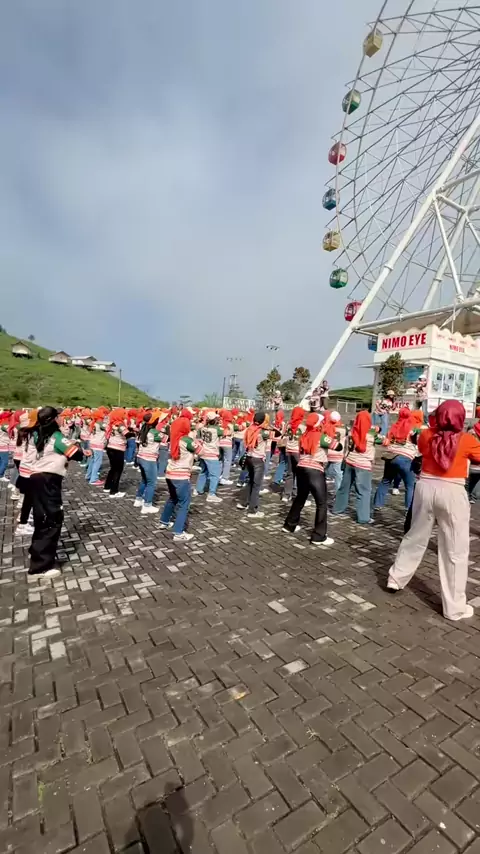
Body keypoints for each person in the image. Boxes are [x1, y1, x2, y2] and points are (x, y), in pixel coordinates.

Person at [387, 400, 480, 621]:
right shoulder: (467, 440)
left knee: (415, 536)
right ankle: (454, 607)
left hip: (426, 487)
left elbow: (421, 447)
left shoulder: (426, 435)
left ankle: (396, 578)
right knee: (455, 549)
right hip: (452, 490)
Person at [29, 407, 87, 577]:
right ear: (53, 419)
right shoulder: (56, 437)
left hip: (36, 478)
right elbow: (76, 454)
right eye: (59, 416)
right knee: (52, 519)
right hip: (48, 480)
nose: (61, 419)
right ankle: (42, 565)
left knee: (41, 518)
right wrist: (81, 449)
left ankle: (37, 552)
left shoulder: (38, 434)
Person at [283, 413, 338, 545]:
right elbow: (338, 446)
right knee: (321, 503)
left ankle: (290, 524)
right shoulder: (322, 437)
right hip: (315, 470)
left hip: (301, 467)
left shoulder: (304, 435)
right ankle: (319, 535)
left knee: (301, 497)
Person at [332, 406, 380, 524]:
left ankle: (338, 509)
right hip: (363, 465)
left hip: (350, 462)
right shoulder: (371, 434)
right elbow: (384, 440)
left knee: (344, 487)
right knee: (364, 491)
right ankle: (363, 517)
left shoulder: (351, 432)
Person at [160, 411, 200, 542]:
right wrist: (195, 439)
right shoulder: (186, 440)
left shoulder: (175, 438)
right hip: (181, 476)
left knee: (173, 499)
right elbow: (201, 451)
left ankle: (164, 521)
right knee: (184, 504)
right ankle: (178, 532)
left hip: (170, 473)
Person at [373, 407, 418, 511]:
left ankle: (377, 504)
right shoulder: (412, 428)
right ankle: (408, 509)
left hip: (391, 456)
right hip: (406, 458)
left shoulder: (394, 427)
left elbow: (387, 440)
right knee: (410, 485)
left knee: (385, 481)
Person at [237, 412, 270, 517]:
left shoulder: (250, 428)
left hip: (249, 457)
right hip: (258, 459)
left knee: (250, 481)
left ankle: (243, 502)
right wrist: (268, 424)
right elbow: (278, 434)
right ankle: (252, 510)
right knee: (256, 485)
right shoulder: (264, 432)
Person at [134, 412, 162, 514]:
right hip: (149, 460)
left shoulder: (143, 429)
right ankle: (147, 505)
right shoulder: (155, 432)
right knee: (151, 483)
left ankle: (138, 499)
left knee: (144, 480)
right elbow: (167, 438)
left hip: (141, 457)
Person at [195, 412, 223, 503]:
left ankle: (198, 489)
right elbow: (225, 433)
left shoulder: (202, 428)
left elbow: (198, 436)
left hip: (203, 452)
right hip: (212, 453)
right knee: (215, 475)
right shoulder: (217, 429)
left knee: (203, 472)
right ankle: (211, 494)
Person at [283, 406, 305, 503]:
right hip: (297, 452)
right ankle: (298, 495)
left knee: (290, 473)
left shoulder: (288, 424)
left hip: (288, 450)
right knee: (301, 475)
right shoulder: (302, 426)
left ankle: (286, 494)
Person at [104, 409, 127, 498]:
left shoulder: (112, 423)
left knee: (113, 468)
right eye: (123, 414)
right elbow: (127, 434)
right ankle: (114, 491)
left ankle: (107, 486)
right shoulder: (120, 424)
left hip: (110, 447)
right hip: (118, 448)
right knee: (118, 470)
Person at [324, 411, 345, 493]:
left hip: (327, 453)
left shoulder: (326, 427)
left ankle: (321, 488)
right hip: (338, 454)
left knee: (323, 471)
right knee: (338, 474)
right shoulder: (344, 429)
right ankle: (338, 493)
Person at [87, 409, 107, 485]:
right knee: (97, 462)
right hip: (98, 444)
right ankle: (93, 479)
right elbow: (108, 429)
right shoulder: (100, 423)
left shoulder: (94, 422)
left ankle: (89, 475)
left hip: (92, 443)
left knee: (92, 461)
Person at [219, 410, 234, 486]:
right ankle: (224, 478)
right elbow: (229, 433)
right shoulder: (230, 425)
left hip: (219, 443)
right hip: (227, 444)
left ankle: (219, 475)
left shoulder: (220, 423)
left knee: (220, 460)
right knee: (227, 460)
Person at [0, 411, 11, 481]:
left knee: (1, 461)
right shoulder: (4, 425)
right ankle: (0, 475)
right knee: (5, 462)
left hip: (1, 445)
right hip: (3, 446)